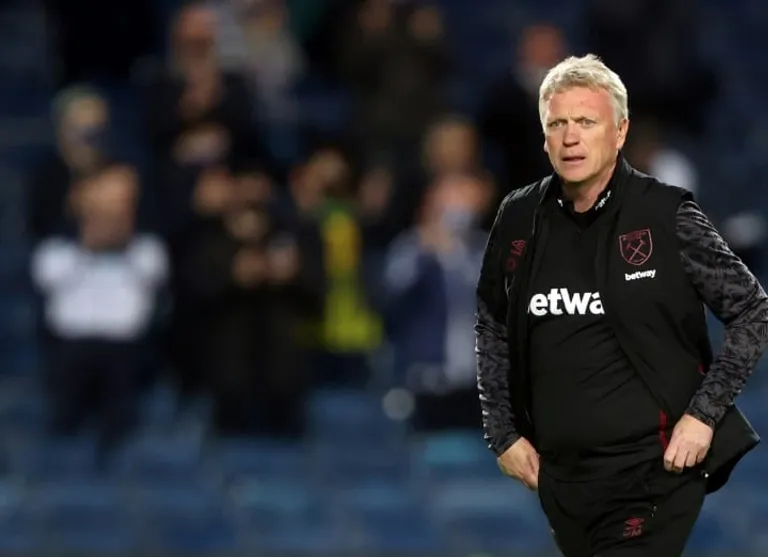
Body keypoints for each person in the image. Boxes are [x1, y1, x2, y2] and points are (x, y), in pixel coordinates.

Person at [474, 54, 768, 557]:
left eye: (586, 122)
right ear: (543, 136)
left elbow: (753, 311)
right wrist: (501, 433)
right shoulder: (518, 216)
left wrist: (703, 415)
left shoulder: (667, 214)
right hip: (563, 479)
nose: (570, 137)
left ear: (620, 131)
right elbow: (491, 323)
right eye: (557, 124)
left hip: (653, 472)